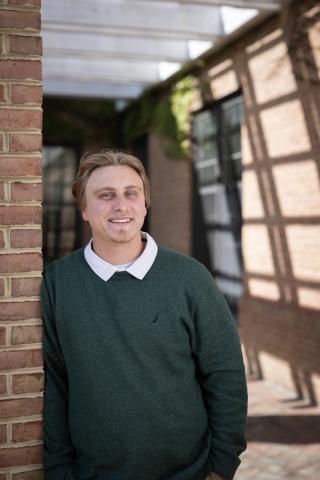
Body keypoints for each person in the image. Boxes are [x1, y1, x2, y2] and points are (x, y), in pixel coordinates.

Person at [42, 149, 247, 480]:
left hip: (189, 472)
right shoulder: (57, 283)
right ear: (84, 209)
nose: (121, 205)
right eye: (105, 196)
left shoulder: (190, 278)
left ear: (144, 204)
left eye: (131, 194)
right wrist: (59, 471)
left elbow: (225, 373)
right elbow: (54, 383)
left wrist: (221, 467)